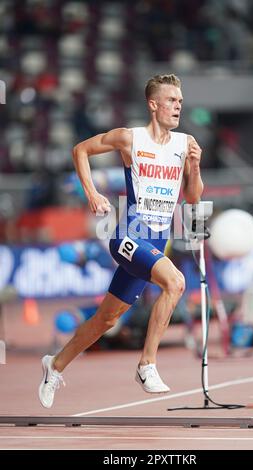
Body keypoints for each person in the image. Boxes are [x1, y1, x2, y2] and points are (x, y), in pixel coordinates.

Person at [39, 74, 204, 408]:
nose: (178, 107)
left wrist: (195, 167)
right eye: (171, 101)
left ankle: (54, 365)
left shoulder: (185, 143)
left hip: (158, 240)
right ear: (153, 104)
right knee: (175, 282)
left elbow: (192, 198)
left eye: (181, 102)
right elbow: (80, 150)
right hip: (129, 234)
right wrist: (92, 193)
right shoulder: (131, 139)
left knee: (107, 319)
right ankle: (147, 364)